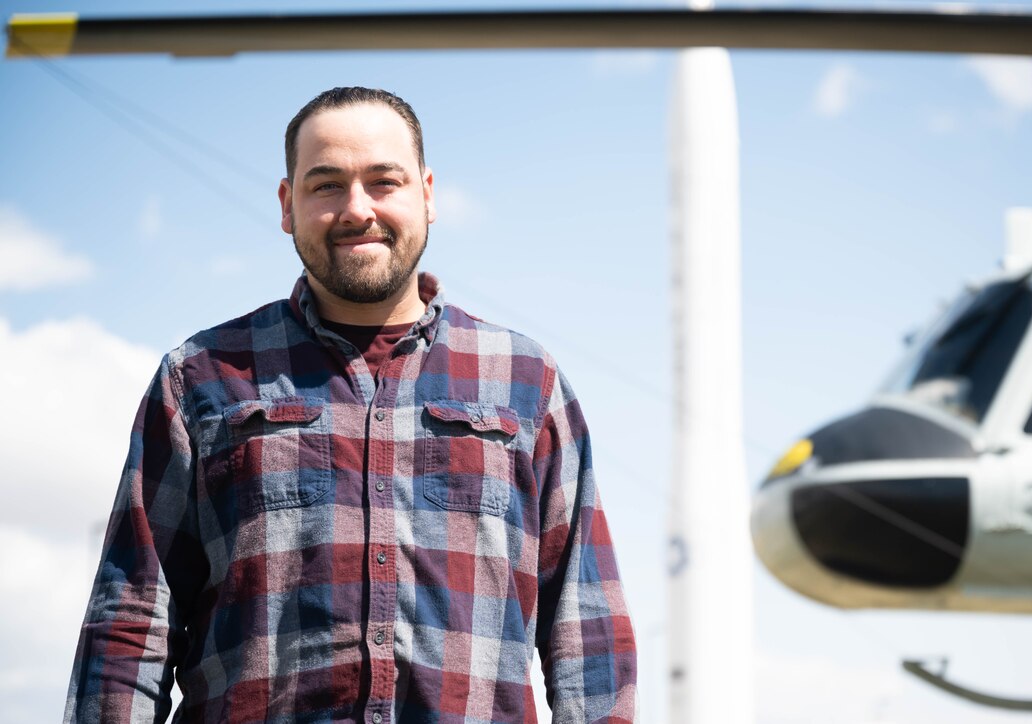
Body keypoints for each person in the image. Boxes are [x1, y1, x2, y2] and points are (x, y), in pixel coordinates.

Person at [64, 87, 637, 723]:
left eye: (382, 182)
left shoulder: (527, 382)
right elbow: (130, 625)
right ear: (288, 205)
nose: (357, 209)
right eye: (327, 185)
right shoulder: (200, 378)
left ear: (427, 194)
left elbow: (589, 632)